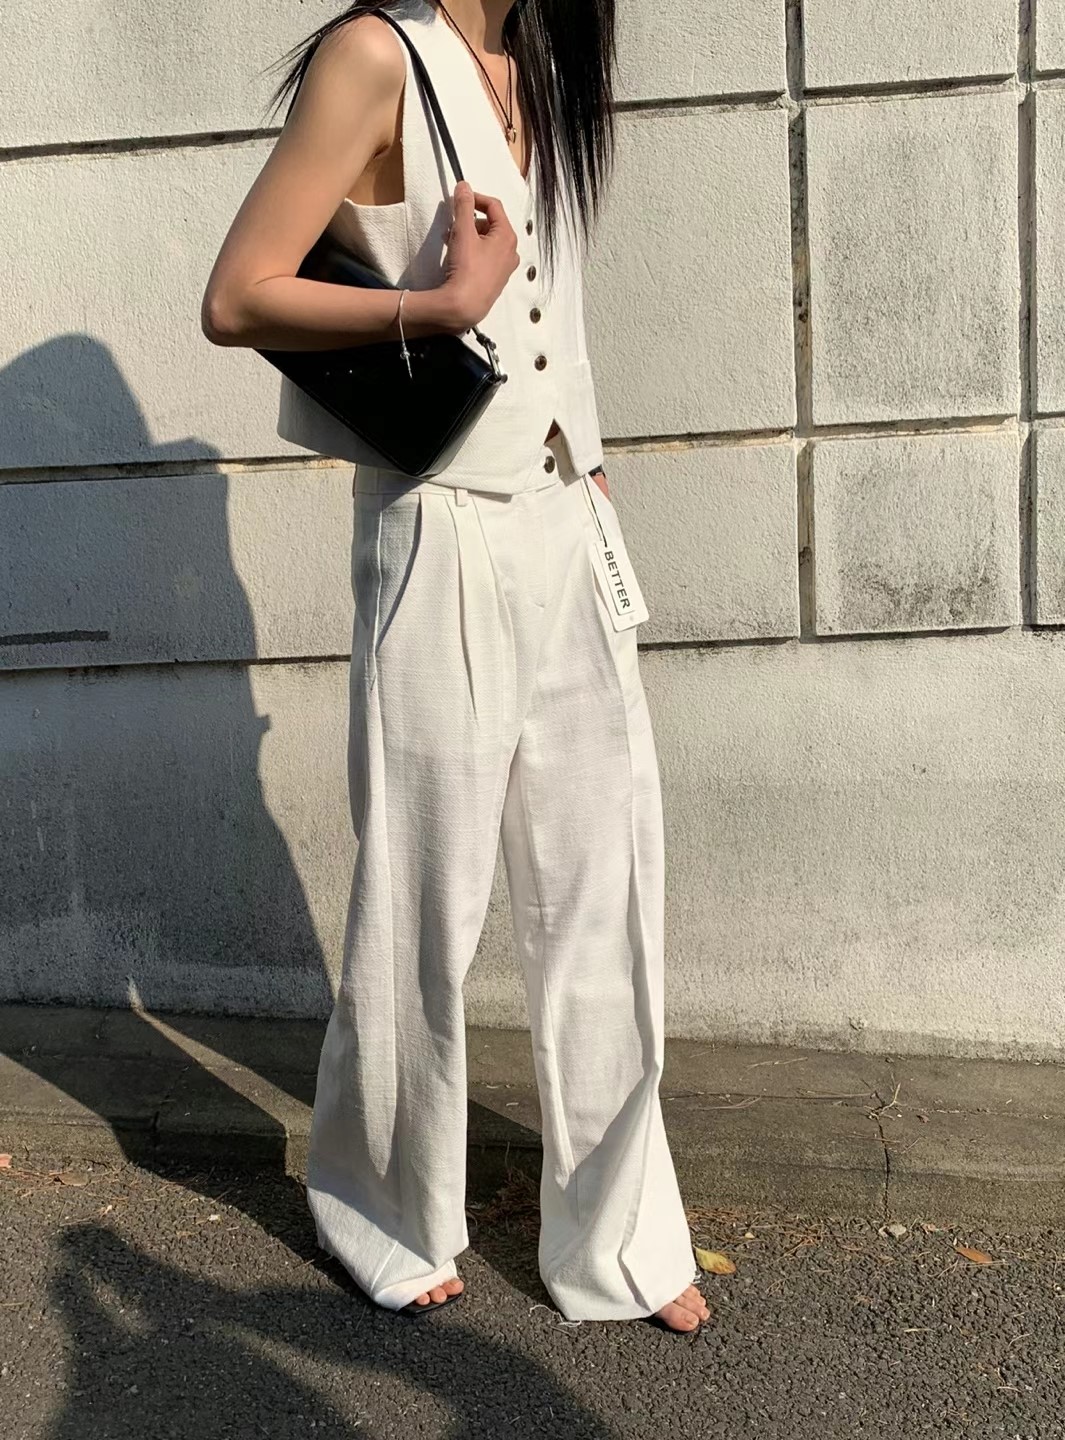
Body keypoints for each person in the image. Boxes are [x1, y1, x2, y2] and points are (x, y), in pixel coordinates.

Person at [200, 0, 709, 1333]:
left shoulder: (546, 57)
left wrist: (592, 472)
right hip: (438, 522)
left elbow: (559, 310)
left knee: (605, 886)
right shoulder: (375, 55)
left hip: (562, 518)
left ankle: (622, 1235)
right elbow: (236, 294)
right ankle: (383, 1208)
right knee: (423, 896)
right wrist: (439, 302)